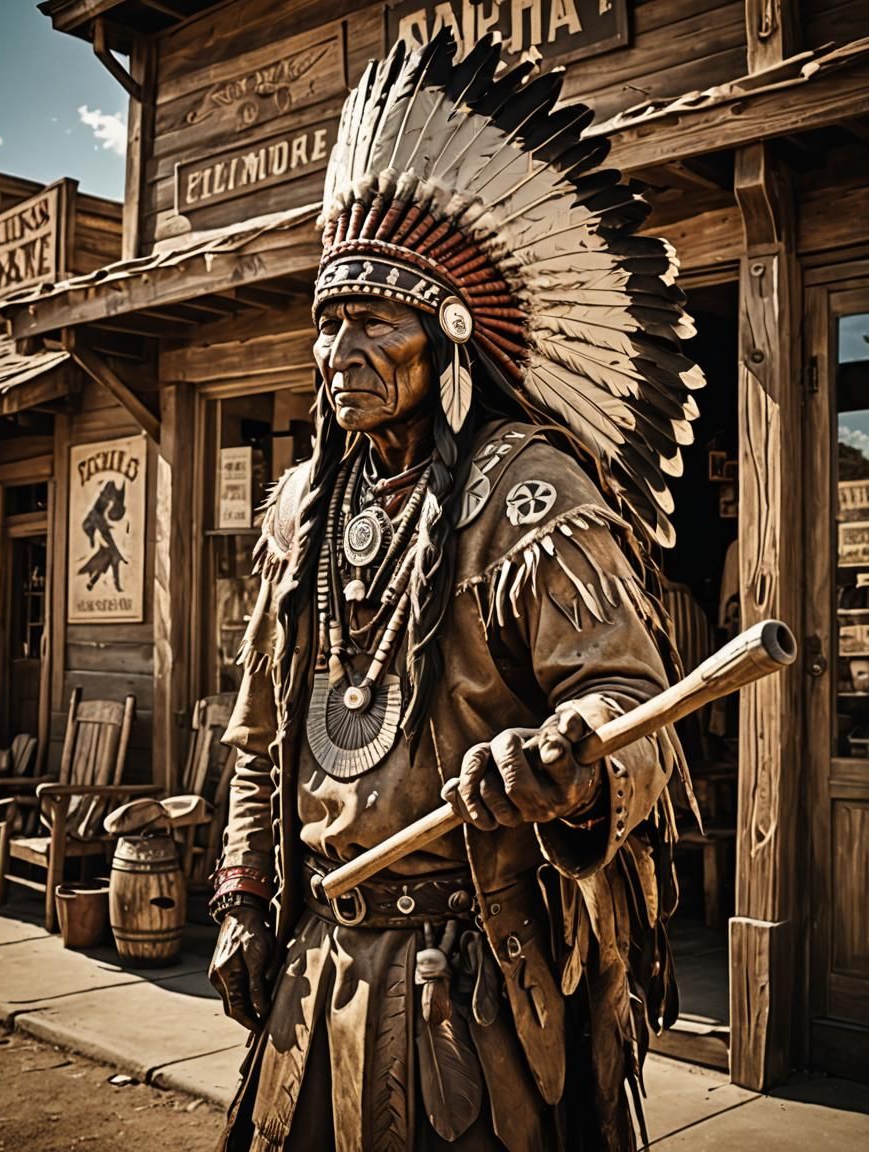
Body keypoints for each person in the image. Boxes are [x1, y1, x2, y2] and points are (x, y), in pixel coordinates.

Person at [208, 30, 704, 1152]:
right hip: (313, 964)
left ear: (445, 339)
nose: (339, 347)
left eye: (373, 320)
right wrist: (241, 893)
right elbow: (253, 738)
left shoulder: (526, 492)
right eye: (327, 321)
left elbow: (632, 707)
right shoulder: (298, 508)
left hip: (473, 985)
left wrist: (568, 759)